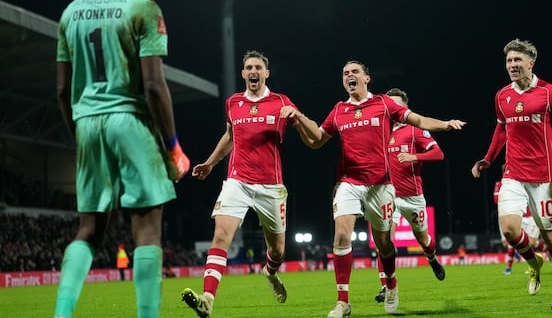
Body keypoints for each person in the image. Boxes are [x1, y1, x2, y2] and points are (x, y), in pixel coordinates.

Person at [54, 0, 190, 318]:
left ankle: (61, 314)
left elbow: (62, 92)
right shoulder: (143, 8)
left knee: (89, 232)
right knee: (146, 229)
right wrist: (173, 147)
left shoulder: (69, 13)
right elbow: (153, 85)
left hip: (87, 121)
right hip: (130, 121)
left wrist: (79, 136)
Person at [303, 60, 465, 318]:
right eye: (345, 73)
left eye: (355, 72)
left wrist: (444, 124)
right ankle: (343, 302)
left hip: (381, 185)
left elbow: (418, 119)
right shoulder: (338, 110)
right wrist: (299, 119)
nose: (349, 76)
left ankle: (391, 283)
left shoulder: (383, 104)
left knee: (384, 245)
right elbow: (316, 140)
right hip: (349, 182)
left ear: (367, 78)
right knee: (342, 236)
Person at [181, 50, 321, 317]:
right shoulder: (233, 103)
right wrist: (210, 163)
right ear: (243, 73)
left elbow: (315, 138)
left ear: (266, 73)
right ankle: (207, 299)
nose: (253, 71)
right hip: (237, 181)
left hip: (271, 187)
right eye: (249, 67)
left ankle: (270, 272)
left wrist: (298, 116)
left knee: (277, 250)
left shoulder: (280, 102)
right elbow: (230, 136)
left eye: (258, 67)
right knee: (221, 235)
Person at [471, 38, 552, 310]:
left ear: (531, 63)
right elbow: (501, 130)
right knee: (509, 228)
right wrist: (488, 158)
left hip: (545, 177)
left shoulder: (551, 93)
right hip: (514, 174)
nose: (512, 65)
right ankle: (533, 261)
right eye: (509, 61)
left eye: (518, 60)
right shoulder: (502, 95)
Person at [373, 88, 447, 304]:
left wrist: (415, 156)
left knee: (423, 239)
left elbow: (438, 153)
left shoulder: (414, 130)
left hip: (412, 196)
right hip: (386, 196)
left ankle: (431, 258)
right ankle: (386, 286)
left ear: (404, 108)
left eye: (397, 105)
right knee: (384, 241)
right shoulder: (381, 132)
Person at [494, 174, 545, 275]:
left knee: (532, 242)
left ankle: (546, 253)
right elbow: (496, 200)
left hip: (530, 216)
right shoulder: (501, 184)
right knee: (510, 241)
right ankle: (510, 267)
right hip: (516, 216)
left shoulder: (527, 180)